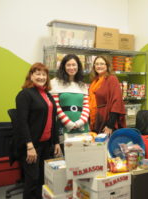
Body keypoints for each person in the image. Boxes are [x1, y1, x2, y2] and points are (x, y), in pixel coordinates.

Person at [15, 63, 61, 199]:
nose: (41, 77)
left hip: (46, 144)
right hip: (31, 145)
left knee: (43, 179)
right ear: (31, 76)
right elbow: (21, 122)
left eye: (44, 74)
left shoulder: (48, 95)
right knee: (32, 181)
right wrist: (29, 146)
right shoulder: (25, 94)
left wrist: (56, 142)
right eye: (37, 74)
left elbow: (53, 120)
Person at [50, 54, 90, 134]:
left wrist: (80, 122)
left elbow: (86, 106)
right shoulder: (55, 83)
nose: (71, 68)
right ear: (63, 67)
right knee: (63, 146)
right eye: (68, 65)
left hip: (82, 126)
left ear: (78, 66)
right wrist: (68, 123)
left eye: (74, 65)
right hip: (63, 126)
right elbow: (56, 106)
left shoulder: (83, 85)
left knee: (82, 146)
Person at [89, 56, 126, 134]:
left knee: (106, 145)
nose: (99, 66)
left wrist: (110, 125)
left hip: (107, 121)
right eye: (97, 64)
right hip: (96, 119)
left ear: (107, 66)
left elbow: (117, 102)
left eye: (102, 64)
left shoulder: (112, 79)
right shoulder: (94, 81)